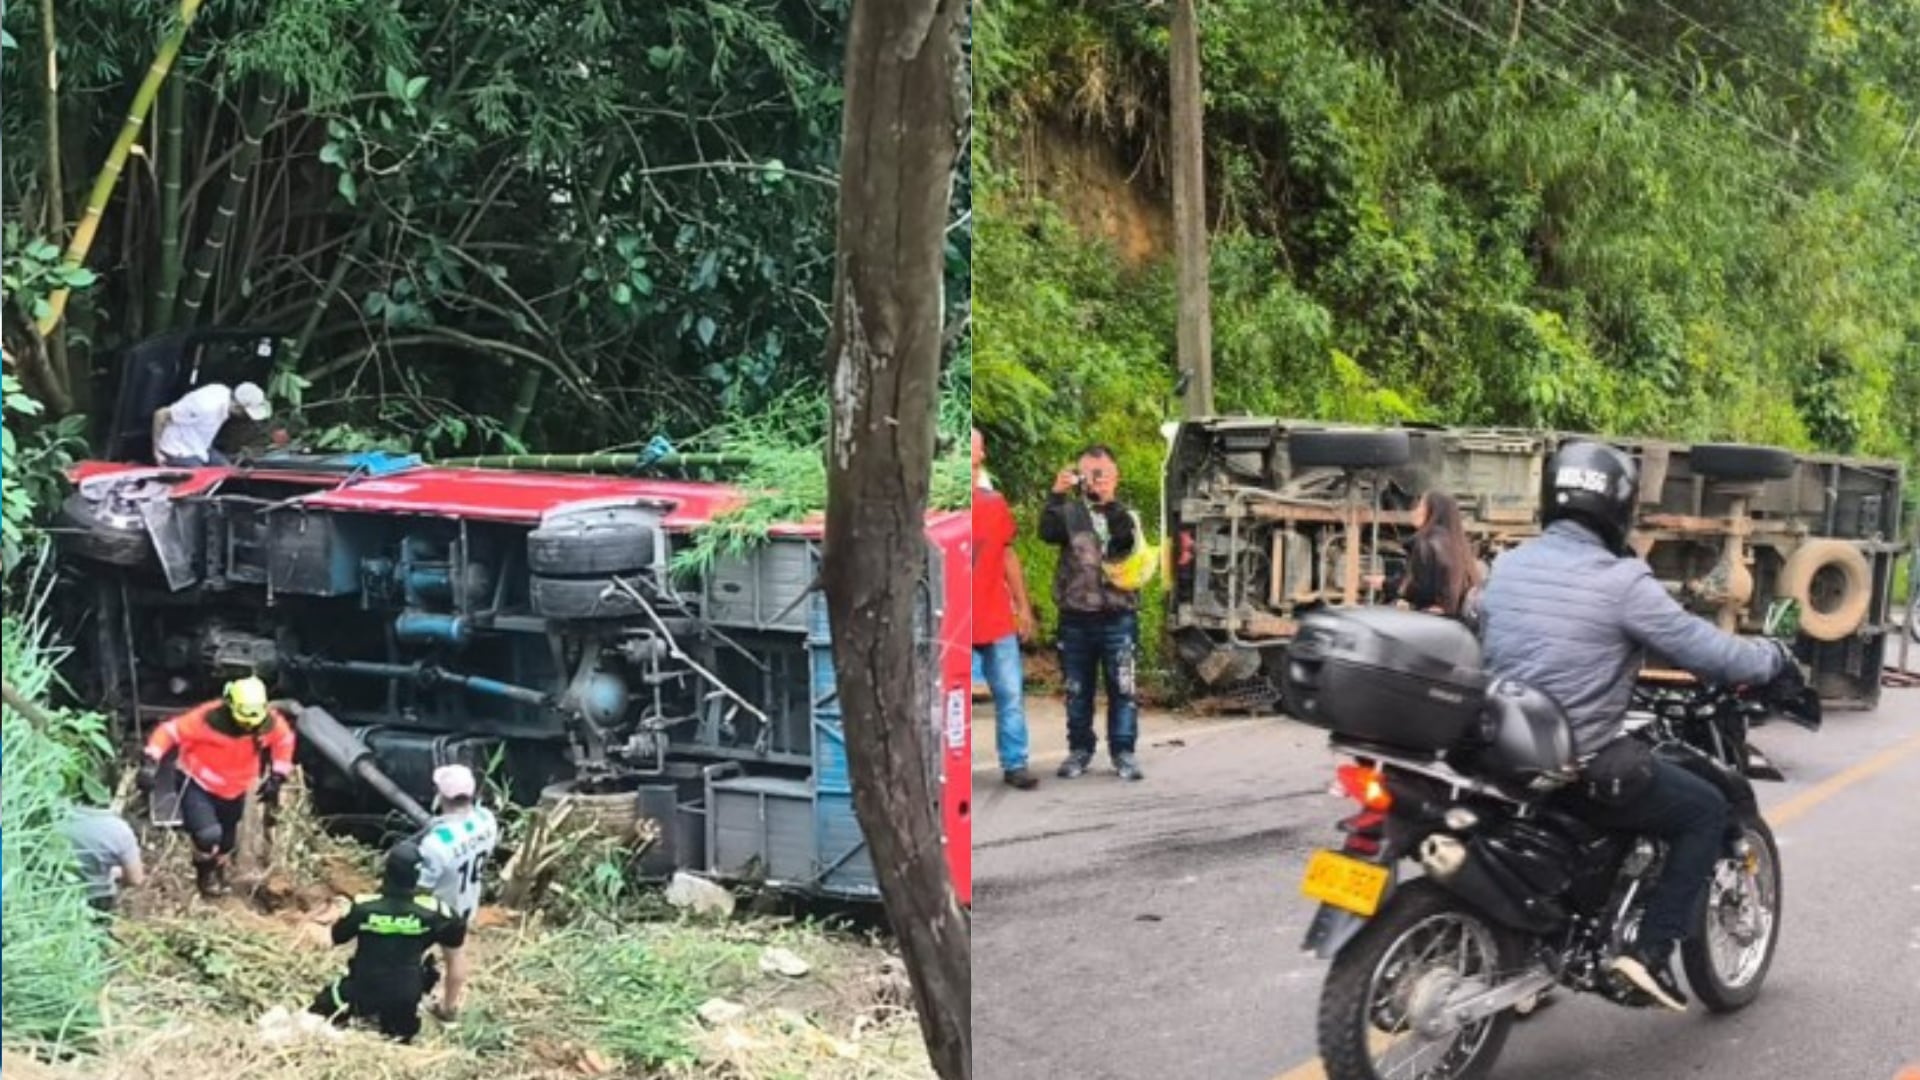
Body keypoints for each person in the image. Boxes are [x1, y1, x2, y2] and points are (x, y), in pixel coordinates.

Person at [1479, 440, 1796, 1013]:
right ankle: (1648, 953)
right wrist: (1773, 657)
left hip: (1496, 748)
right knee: (1704, 810)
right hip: (1577, 760)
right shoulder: (1621, 580)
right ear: (1618, 509)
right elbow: (1709, 652)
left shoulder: (1507, 564)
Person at [1039, 444, 1145, 781]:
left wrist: (1108, 502)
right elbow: (1046, 532)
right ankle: (1080, 749)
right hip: (1076, 616)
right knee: (1077, 688)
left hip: (1118, 615)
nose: (1095, 481)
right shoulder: (1069, 513)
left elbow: (1125, 541)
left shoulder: (1126, 515)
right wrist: (1057, 494)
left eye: (1103, 474)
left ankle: (1123, 752)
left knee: (1123, 687)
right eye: (1089, 473)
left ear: (1116, 477)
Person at [137, 676, 295, 898]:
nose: (247, 726)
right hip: (197, 781)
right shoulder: (206, 719)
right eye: (243, 721)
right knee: (208, 835)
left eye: (253, 723)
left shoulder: (268, 724)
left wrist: (278, 776)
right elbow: (170, 732)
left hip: (234, 790)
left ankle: (218, 869)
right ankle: (205, 873)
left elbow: (284, 741)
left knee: (226, 842)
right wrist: (151, 761)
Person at [310, 841, 466, 1044]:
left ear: (387, 871)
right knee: (400, 1037)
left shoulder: (364, 907)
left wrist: (316, 924)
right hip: (406, 1001)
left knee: (316, 1013)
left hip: (361, 993)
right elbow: (456, 963)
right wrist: (447, 1008)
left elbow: (331, 939)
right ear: (417, 876)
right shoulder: (438, 913)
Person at [971, 429, 1039, 790]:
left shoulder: (992, 504)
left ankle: (1015, 763)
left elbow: (1007, 554)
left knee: (1010, 693)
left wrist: (1023, 607)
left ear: (979, 457)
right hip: (954, 620)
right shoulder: (937, 506)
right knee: (945, 699)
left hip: (995, 615)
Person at [415, 765, 500, 1020]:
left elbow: (423, 886)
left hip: (436, 909)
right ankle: (449, 1008)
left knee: (410, 954)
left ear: (439, 795)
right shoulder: (486, 820)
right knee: (456, 955)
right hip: (465, 904)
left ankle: (411, 998)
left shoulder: (436, 842)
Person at [1390, 490, 1483, 621]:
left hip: (1430, 622)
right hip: (1455, 623)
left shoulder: (1425, 542)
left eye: (1420, 506)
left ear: (1433, 511)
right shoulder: (1458, 545)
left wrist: (1397, 594)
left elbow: (1423, 587)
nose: (1414, 511)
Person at [152, 381, 271, 467]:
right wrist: (156, 451)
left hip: (200, 446)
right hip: (177, 449)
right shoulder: (205, 406)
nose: (245, 418)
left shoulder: (225, 396)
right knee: (201, 480)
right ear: (237, 407)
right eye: (245, 414)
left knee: (228, 473)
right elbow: (161, 414)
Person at [60, 804, 145, 914]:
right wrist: (117, 874)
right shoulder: (120, 830)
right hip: (97, 896)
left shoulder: (56, 814)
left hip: (57, 891)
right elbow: (135, 879)